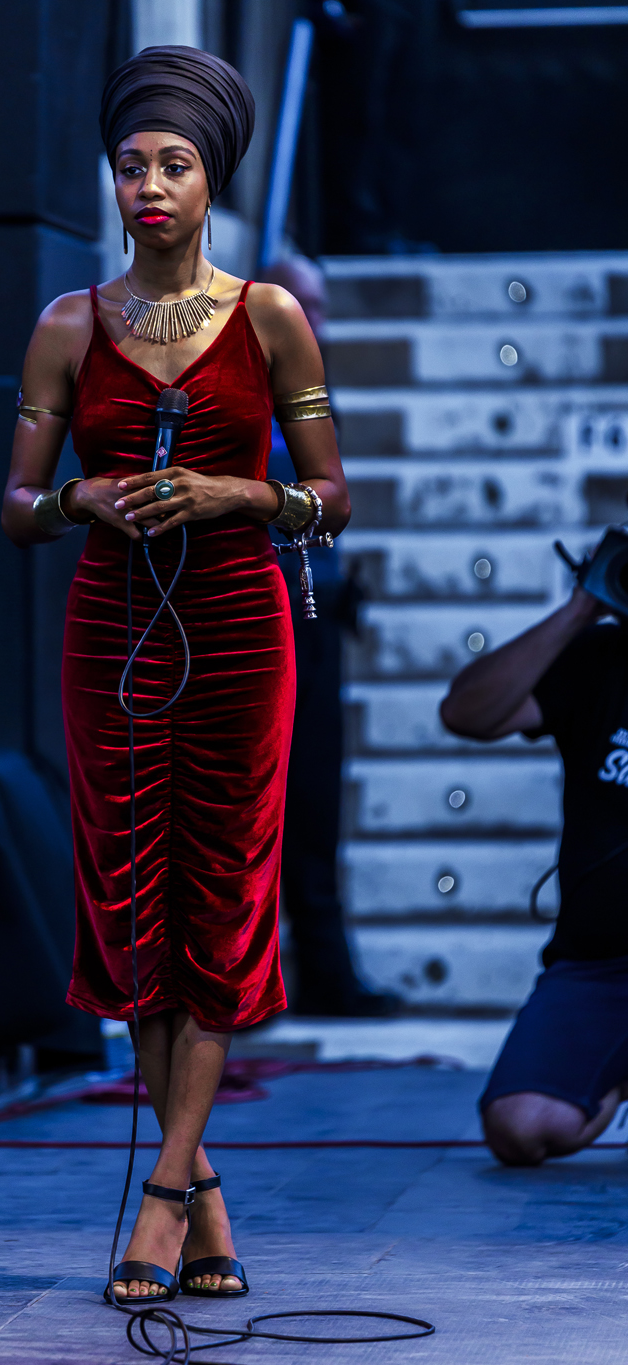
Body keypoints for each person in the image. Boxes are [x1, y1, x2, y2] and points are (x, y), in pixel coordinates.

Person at [2, 46, 349, 1301]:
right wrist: (78, 499)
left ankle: (160, 1199)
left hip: (241, 626)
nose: (147, 186)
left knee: (221, 897)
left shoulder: (269, 316)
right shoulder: (67, 324)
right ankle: (199, 1195)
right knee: (131, 903)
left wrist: (240, 494)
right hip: (111, 629)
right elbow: (15, 507)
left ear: (213, 183)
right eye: (130, 165)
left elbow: (330, 496)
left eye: (173, 165)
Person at [440, 576, 628, 1166]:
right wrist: (581, 608)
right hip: (600, 966)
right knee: (519, 1125)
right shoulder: (600, 656)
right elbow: (467, 713)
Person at [261, 253, 398, 1017]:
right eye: (304, 305)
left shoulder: (310, 389)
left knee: (314, 800)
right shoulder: (237, 386)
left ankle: (325, 973)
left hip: (311, 616)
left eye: (320, 307)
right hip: (257, 622)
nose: (319, 322)